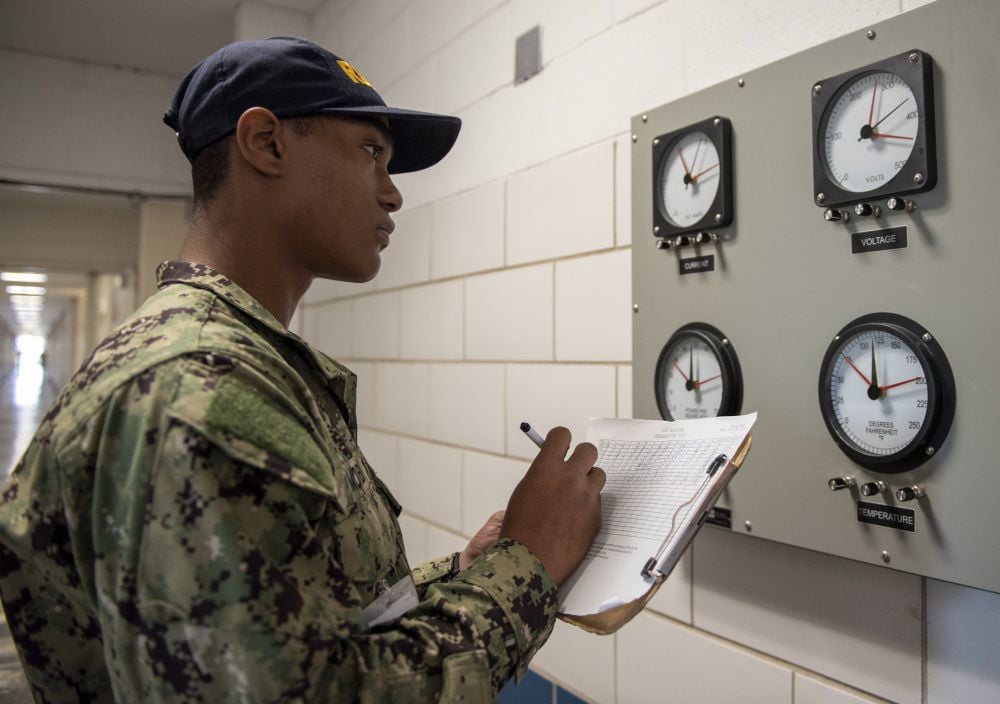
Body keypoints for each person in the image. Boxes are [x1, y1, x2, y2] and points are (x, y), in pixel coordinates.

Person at [0, 36, 605, 702]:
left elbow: (302, 621)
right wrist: (529, 561)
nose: (393, 194)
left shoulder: (237, 360)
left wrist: (464, 572)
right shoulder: (199, 388)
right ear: (266, 143)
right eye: (371, 153)